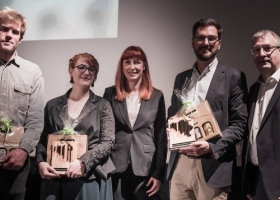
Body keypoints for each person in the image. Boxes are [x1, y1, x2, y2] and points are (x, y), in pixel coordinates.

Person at [167, 18, 248, 200]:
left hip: (213, 165)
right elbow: (173, 114)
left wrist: (211, 147)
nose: (206, 43)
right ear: (192, 41)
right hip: (180, 164)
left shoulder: (233, 77)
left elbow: (240, 124)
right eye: (200, 38)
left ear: (219, 43)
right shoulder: (181, 78)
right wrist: (171, 130)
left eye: (211, 38)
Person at [36, 53, 115, 200]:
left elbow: (108, 143)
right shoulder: (52, 105)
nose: (87, 72)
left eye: (92, 69)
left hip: (89, 177)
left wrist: (83, 162)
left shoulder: (103, 105)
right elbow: (43, 141)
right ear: (70, 71)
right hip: (55, 177)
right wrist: (40, 162)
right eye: (81, 67)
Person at [103, 46, 167, 200]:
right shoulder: (110, 94)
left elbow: (161, 136)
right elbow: (105, 132)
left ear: (144, 66)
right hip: (116, 165)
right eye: (127, 62)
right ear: (122, 66)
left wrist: (159, 173)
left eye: (137, 62)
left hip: (146, 167)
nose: (132, 67)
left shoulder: (157, 96)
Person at [0, 6, 44, 200]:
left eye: (15, 32)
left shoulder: (32, 72)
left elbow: (35, 119)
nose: (9, 35)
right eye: (4, 29)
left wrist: (24, 150)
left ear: (20, 38)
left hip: (15, 160)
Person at [243, 30, 280, 200]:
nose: (262, 54)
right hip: (257, 179)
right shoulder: (254, 89)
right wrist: (249, 181)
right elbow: (252, 138)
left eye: (267, 48)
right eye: (256, 50)